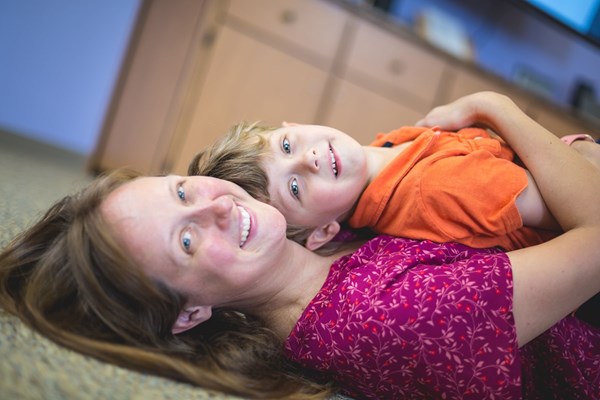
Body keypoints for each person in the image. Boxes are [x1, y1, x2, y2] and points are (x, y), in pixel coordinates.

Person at [0, 92, 599, 399]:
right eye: (185, 239)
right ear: (189, 313)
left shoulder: (320, 238)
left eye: (182, 190)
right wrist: (497, 108)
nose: (215, 205)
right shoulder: (386, 318)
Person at [188, 102, 599, 253]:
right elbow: (584, 209)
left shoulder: (386, 149)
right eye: (294, 188)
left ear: (292, 123)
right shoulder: (436, 188)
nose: (309, 159)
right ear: (321, 233)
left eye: (287, 145)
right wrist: (491, 107)